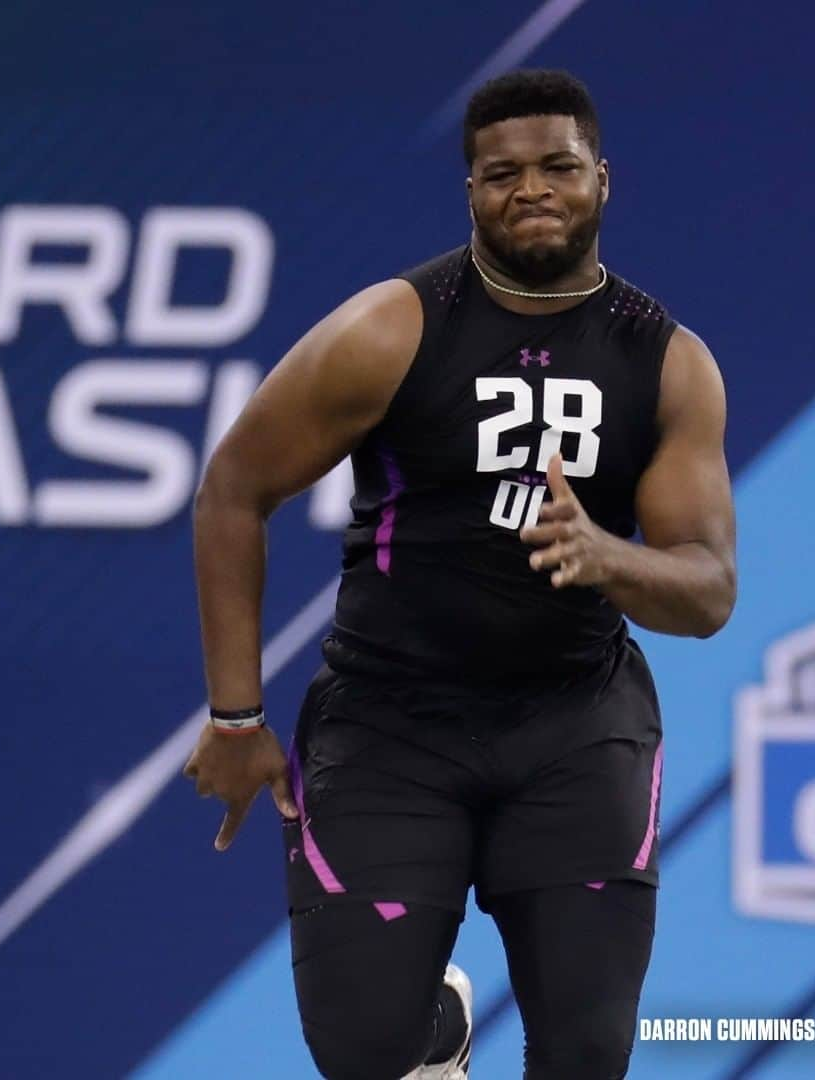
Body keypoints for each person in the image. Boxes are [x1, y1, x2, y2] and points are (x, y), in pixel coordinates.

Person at [184, 69, 736, 1080]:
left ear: (603, 180)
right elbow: (232, 491)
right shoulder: (392, 329)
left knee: (586, 1053)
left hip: (575, 726)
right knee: (365, 1049)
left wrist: (606, 556)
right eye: (501, 174)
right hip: (391, 722)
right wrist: (234, 718)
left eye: (558, 167)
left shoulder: (667, 362)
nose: (531, 189)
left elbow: (709, 593)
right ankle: (435, 1035)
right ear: (471, 193)